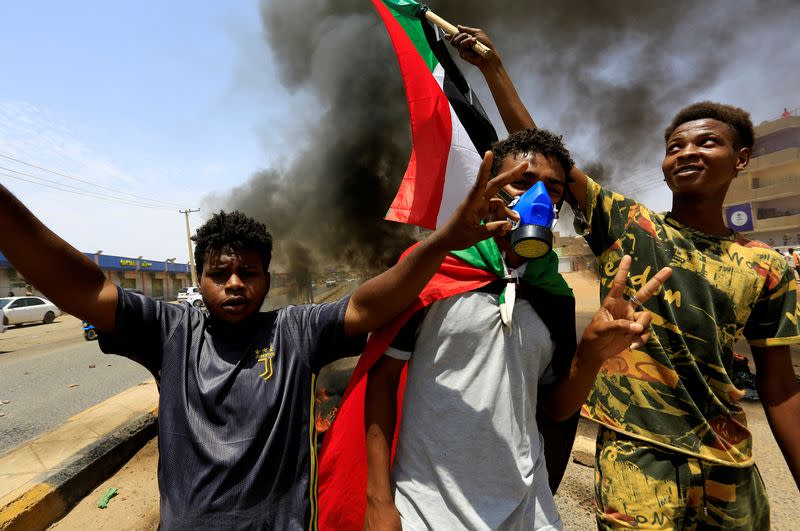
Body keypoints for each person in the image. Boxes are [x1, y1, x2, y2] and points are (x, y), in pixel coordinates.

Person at [0, 156, 526, 530]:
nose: (234, 283)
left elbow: (368, 305)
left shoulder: (294, 332)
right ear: (199, 279)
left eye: (248, 272)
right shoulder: (169, 333)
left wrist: (443, 241)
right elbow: (87, 287)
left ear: (267, 279)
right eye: (219, 273)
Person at [449, 26, 800, 529]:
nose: (688, 152)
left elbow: (781, 386)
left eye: (708, 142)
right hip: (637, 460)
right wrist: (493, 70)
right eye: (675, 145)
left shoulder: (767, 265)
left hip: (729, 460)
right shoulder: (628, 225)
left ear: (740, 159)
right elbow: (550, 164)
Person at [361, 130, 672, 530]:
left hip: (529, 509)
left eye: (553, 190)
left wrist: (591, 357)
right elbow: (382, 379)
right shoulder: (433, 271)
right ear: (490, 188)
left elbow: (557, 409)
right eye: (523, 182)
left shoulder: (553, 296)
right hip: (428, 509)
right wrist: (379, 500)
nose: (539, 199)